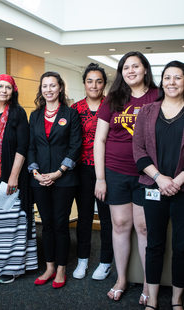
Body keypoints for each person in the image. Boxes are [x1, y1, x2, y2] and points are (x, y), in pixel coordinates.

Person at [94, 51, 157, 303]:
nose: (130, 71)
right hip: (116, 172)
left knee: (143, 228)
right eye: (125, 67)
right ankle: (121, 279)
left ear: (144, 69)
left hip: (148, 174)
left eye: (135, 66)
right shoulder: (113, 99)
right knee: (120, 226)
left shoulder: (158, 96)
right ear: (121, 73)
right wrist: (100, 178)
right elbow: (100, 139)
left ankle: (146, 283)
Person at [133, 61, 184, 310]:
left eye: (178, 77)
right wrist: (160, 178)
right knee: (154, 244)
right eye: (167, 77)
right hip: (153, 186)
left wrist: (178, 180)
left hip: (183, 188)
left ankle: (176, 300)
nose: (172, 82)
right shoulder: (147, 111)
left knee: (182, 246)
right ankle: (152, 299)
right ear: (161, 81)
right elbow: (139, 150)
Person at [0, 74, 38, 284]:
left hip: (11, 179)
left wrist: (13, 177)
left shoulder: (18, 113)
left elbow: (22, 147)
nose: (4, 91)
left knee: (13, 224)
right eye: (0, 87)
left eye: (8, 88)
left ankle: (11, 268)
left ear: (13, 91)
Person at [28, 71, 81, 288]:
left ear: (60, 88)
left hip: (64, 180)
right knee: (46, 224)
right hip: (39, 179)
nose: (48, 89)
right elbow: (30, 146)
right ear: (41, 89)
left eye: (52, 85)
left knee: (60, 224)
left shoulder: (71, 114)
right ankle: (49, 266)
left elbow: (76, 146)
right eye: (44, 86)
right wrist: (35, 172)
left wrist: (59, 172)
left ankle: (61, 269)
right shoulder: (35, 115)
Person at [71, 63, 113, 280]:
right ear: (84, 83)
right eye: (90, 81)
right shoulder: (75, 109)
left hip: (108, 169)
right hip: (82, 169)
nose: (94, 85)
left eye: (98, 81)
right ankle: (82, 260)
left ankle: (106, 261)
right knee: (85, 216)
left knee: (107, 218)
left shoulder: (114, 106)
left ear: (104, 84)